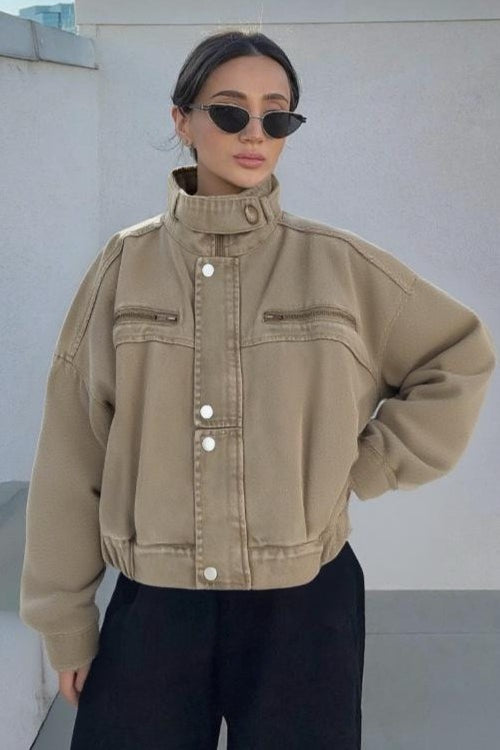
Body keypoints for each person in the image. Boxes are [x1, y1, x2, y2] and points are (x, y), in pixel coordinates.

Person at [19, 29, 496, 750]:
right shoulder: (125, 266)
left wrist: (362, 467)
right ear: (182, 120)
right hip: (156, 606)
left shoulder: (337, 266)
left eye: (277, 116)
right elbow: (73, 449)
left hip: (304, 607)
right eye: (230, 111)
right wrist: (65, 621)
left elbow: (458, 355)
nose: (255, 133)